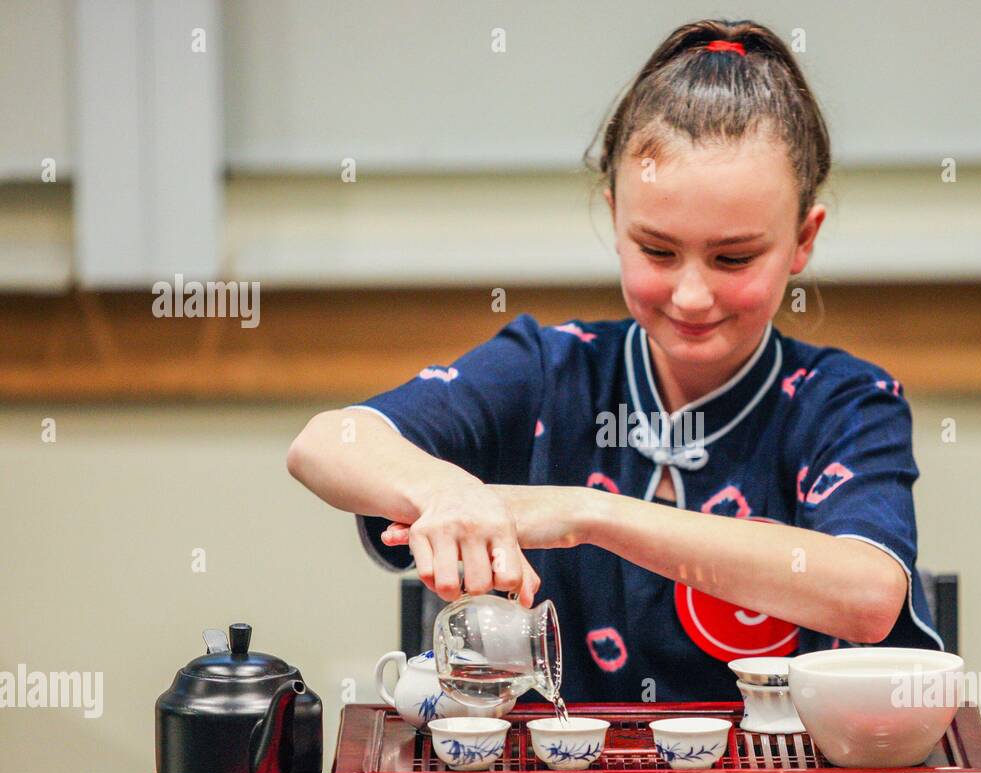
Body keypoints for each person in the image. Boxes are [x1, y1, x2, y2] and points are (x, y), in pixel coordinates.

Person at [287, 19, 943, 703]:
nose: (692, 294)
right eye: (657, 250)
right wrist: (446, 492)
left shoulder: (844, 400)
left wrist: (587, 515)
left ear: (804, 240)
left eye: (734, 258)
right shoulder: (548, 370)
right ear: (615, 214)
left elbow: (869, 594)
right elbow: (325, 443)